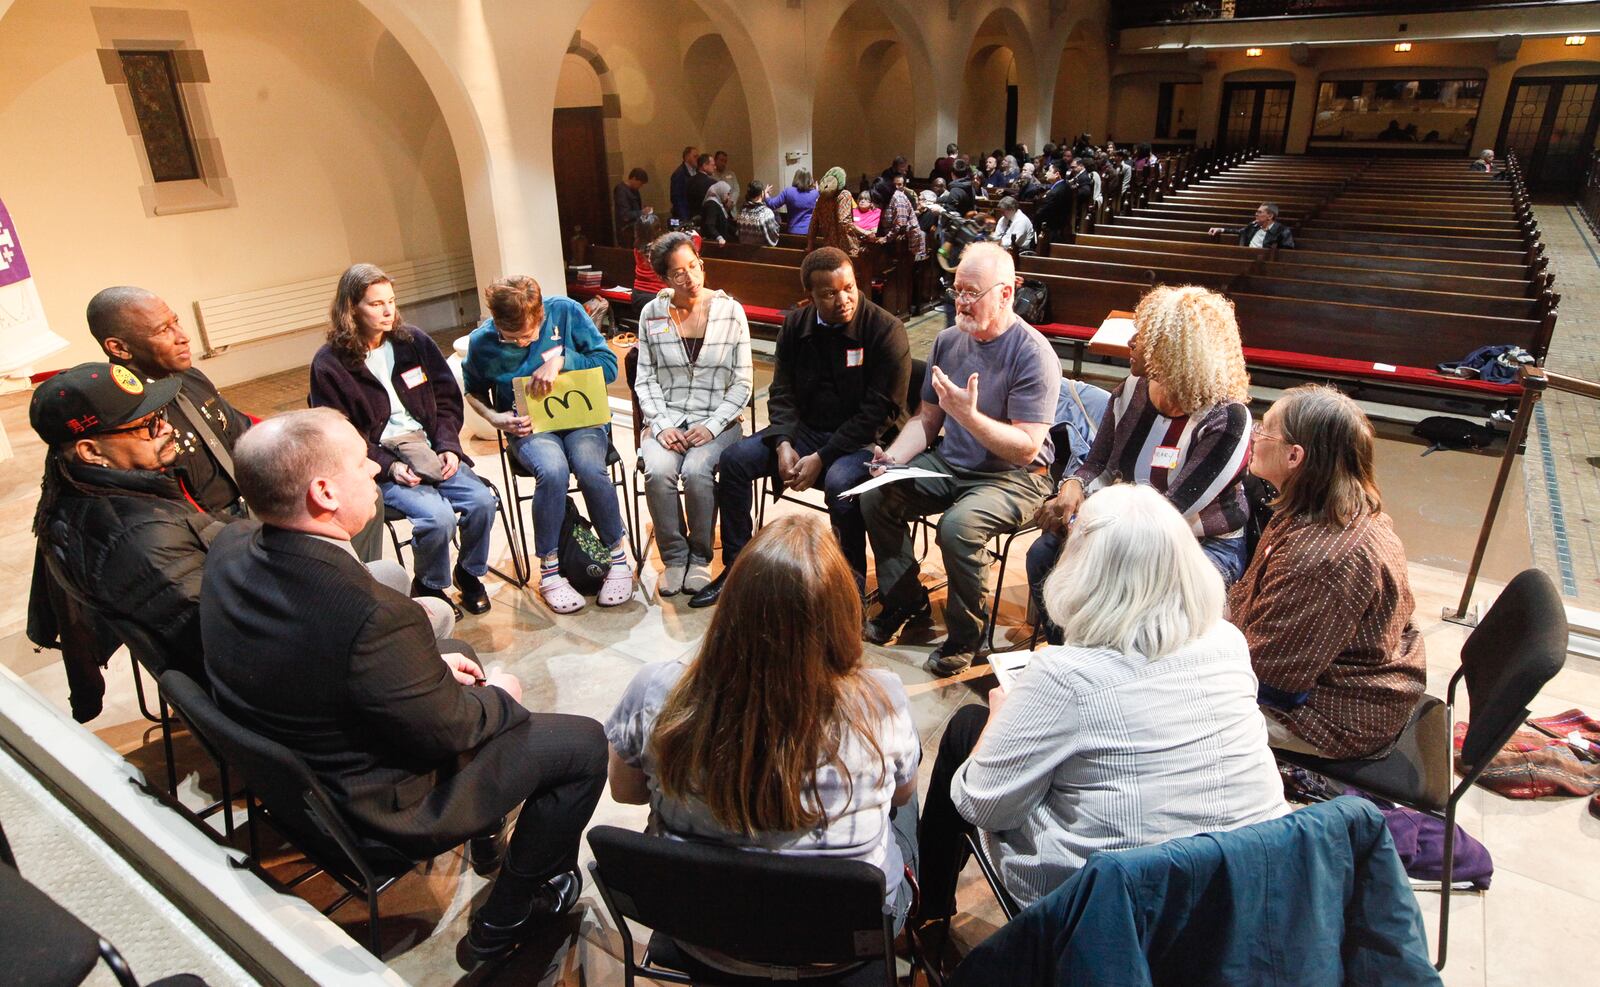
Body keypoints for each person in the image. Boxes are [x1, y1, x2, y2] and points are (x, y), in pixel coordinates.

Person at [200, 409, 608, 963]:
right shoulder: (368, 614)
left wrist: (439, 671)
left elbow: (351, 666)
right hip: (371, 804)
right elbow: (455, 728)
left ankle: (489, 827)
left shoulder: (231, 543)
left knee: (458, 652)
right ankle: (511, 910)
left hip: (296, 762)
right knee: (579, 741)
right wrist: (499, 696)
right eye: (358, 461)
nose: (374, 466)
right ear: (322, 491)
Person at [915, 484, 1288, 930]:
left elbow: (984, 807)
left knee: (968, 729)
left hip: (1117, 911)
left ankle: (927, 912)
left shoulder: (1065, 674)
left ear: (1085, 568)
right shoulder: (1228, 641)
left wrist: (999, 721)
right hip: (1242, 890)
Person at [605, 515, 922, 954]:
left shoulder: (655, 689)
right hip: (838, 950)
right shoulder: (882, 701)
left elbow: (626, 792)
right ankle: (913, 933)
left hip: (701, 937)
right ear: (840, 615)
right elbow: (902, 797)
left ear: (731, 606)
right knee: (904, 793)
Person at [861, 243, 1059, 677]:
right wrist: (892, 458)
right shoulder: (949, 341)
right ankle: (905, 600)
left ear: (1006, 293)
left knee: (958, 528)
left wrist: (969, 417)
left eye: (972, 292)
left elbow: (1026, 447)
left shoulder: (1033, 353)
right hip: (954, 463)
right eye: (956, 290)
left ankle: (967, 637)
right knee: (877, 496)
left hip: (1017, 476)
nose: (961, 302)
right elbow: (927, 419)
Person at [1031, 285, 1254, 644]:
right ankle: (1071, 658)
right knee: (1042, 556)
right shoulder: (1132, 390)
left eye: (1147, 336)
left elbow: (1169, 516)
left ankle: (1116, 674)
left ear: (1182, 353)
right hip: (1124, 528)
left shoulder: (1226, 420)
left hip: (1199, 546)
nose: (1132, 341)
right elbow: (1098, 463)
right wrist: (1072, 487)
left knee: (1126, 601)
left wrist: (1086, 525)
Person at [696, 247, 910, 606]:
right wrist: (782, 441)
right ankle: (736, 569)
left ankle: (849, 590)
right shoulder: (797, 324)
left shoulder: (886, 329)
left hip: (863, 439)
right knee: (734, 461)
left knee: (842, 485)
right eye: (829, 293)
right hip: (806, 428)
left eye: (849, 287)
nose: (843, 299)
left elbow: (878, 412)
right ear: (809, 296)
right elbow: (781, 391)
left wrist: (821, 458)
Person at [1229, 385, 1426, 760]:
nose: (1255, 435)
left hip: (1335, 716)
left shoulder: (1319, 558)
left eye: (1265, 429)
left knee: (1172, 707)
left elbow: (1271, 685)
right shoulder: (1327, 504)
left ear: (1294, 455)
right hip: (1338, 680)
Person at [309, 264, 497, 616]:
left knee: (481, 502)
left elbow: (445, 400)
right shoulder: (330, 363)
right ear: (351, 309)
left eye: (391, 302)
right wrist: (389, 466)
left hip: (429, 446)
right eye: (375, 304)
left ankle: (469, 575)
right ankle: (429, 584)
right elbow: (338, 434)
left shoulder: (413, 342)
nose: (387, 311)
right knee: (437, 519)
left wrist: (448, 446)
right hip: (381, 459)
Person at [27, 363, 227, 686]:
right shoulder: (137, 538)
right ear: (91, 451)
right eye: (147, 425)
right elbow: (226, 634)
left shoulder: (104, 494)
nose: (165, 429)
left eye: (161, 415)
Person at [462, 276, 633, 613]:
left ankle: (618, 558)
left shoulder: (566, 311)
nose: (525, 343)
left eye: (529, 334)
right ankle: (550, 570)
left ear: (541, 315)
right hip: (530, 427)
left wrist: (563, 359)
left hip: (583, 419)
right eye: (513, 338)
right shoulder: (482, 342)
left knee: (588, 466)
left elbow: (610, 367)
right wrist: (495, 418)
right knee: (552, 470)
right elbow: (473, 390)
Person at [634, 233, 753, 596]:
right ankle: (674, 557)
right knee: (658, 470)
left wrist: (713, 425)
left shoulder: (730, 311)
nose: (690, 278)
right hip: (667, 417)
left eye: (693, 266)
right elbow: (645, 377)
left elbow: (743, 382)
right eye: (678, 273)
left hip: (718, 420)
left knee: (698, 471)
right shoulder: (652, 313)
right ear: (665, 279)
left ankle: (700, 557)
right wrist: (661, 424)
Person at [87, 287, 252, 519]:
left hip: (252, 502)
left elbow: (240, 430)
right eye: (163, 330)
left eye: (176, 322)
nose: (183, 337)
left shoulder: (190, 376)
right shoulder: (126, 414)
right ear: (120, 348)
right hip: (203, 529)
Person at [808, 166, 863, 259]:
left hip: (829, 245)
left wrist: (810, 245)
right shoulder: (844, 195)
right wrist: (863, 232)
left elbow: (813, 223)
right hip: (845, 247)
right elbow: (843, 221)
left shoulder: (821, 199)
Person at [1209, 202, 1295, 249]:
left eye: (1259, 212)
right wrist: (1221, 229)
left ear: (1270, 216)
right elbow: (1241, 231)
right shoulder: (1253, 225)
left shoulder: (1283, 231)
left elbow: (1286, 252)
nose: (1256, 214)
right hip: (1245, 257)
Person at [765, 168, 819, 235]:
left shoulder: (788, 191)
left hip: (792, 230)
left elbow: (772, 204)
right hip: (810, 232)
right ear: (810, 179)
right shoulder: (815, 194)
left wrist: (766, 194)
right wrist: (818, 192)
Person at [1036, 162, 1072, 245]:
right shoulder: (1064, 186)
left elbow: (1041, 213)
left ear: (1056, 174)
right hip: (1061, 227)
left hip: (1052, 232)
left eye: (1049, 171)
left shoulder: (1055, 192)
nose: (1046, 173)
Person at [612, 167, 650, 246]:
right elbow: (624, 215)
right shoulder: (621, 190)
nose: (641, 186)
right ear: (633, 178)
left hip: (635, 229)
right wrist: (642, 212)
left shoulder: (635, 190)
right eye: (640, 183)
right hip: (626, 231)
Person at [736, 181, 780, 246]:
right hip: (763, 253)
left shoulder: (742, 211)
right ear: (762, 193)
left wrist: (762, 194)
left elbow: (739, 233)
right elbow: (773, 237)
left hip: (744, 252)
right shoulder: (766, 212)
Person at [670, 145, 698, 223]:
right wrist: (685, 218)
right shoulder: (679, 174)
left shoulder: (696, 171)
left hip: (694, 213)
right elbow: (677, 198)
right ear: (687, 157)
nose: (697, 159)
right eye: (695, 156)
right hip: (685, 215)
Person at [686, 153, 717, 218]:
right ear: (705, 166)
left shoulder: (689, 181)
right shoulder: (712, 183)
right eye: (713, 165)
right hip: (708, 219)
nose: (715, 167)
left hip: (693, 218)